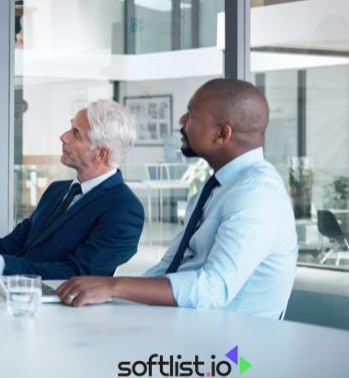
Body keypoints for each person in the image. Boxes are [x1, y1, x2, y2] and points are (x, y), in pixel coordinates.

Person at [55, 79, 298, 320]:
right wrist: (105, 294)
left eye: (191, 115)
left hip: (233, 351)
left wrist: (113, 287)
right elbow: (169, 268)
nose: (181, 121)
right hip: (190, 328)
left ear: (222, 133)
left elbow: (214, 289)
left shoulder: (256, 194)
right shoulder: (220, 188)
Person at [0, 100, 144, 279]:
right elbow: (13, 244)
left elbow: (79, 272)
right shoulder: (58, 191)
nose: (63, 136)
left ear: (101, 153)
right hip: (15, 294)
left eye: (75, 133)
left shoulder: (124, 209)